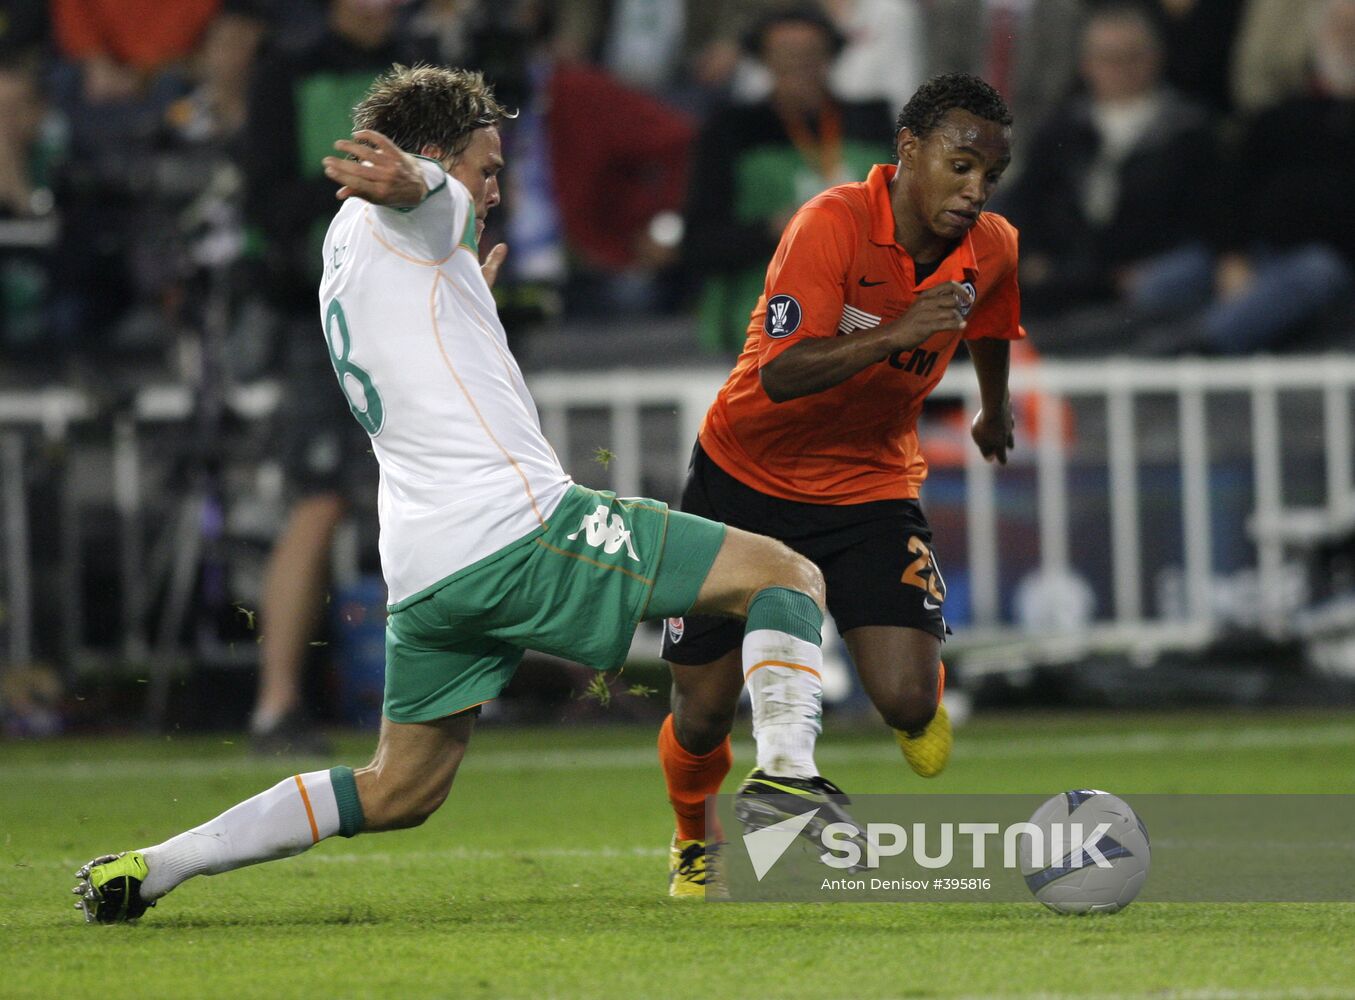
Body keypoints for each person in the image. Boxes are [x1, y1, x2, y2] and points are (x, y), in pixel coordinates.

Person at [71, 63, 840, 922]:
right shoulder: (422, 206)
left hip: (428, 569)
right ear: (436, 155)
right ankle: (789, 779)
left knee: (399, 789)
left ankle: (153, 866)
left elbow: (425, 273)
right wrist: (430, 183)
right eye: (488, 166)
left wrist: (466, 280)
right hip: (516, 532)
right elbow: (431, 193)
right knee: (782, 575)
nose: (496, 188)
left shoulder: (347, 243)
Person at [658, 73, 1022, 895]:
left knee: (902, 700)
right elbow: (785, 373)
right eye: (959, 167)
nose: (973, 193)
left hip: (869, 487)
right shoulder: (829, 223)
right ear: (908, 150)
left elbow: (993, 319)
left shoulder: (992, 245)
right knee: (703, 711)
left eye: (988, 178)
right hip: (741, 480)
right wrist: (901, 330)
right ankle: (691, 841)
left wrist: (992, 412)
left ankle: (919, 702)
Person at [684, 4, 891, 354]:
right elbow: (700, 242)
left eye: (810, 53)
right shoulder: (732, 130)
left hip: (868, 318)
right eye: (784, 54)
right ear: (763, 61)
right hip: (761, 325)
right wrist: (774, 229)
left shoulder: (872, 123)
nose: (798, 64)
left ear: (831, 56)